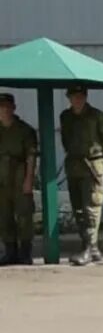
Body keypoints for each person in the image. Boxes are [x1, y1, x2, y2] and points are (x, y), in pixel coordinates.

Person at [59, 87, 103, 265]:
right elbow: (65, 139)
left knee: (91, 207)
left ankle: (89, 248)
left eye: (80, 96)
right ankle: (91, 247)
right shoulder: (66, 117)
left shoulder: (97, 116)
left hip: (92, 165)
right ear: (69, 98)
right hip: (74, 164)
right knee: (78, 208)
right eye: (73, 96)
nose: (77, 100)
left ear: (85, 97)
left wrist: (98, 159)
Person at [0, 92, 38, 266]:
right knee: (4, 215)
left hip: (20, 174)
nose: (4, 110)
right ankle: (10, 251)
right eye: (1, 107)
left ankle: (25, 252)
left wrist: (29, 179)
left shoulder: (24, 130)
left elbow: (31, 156)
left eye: (7, 106)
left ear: (13, 108)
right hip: (2, 176)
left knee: (24, 214)